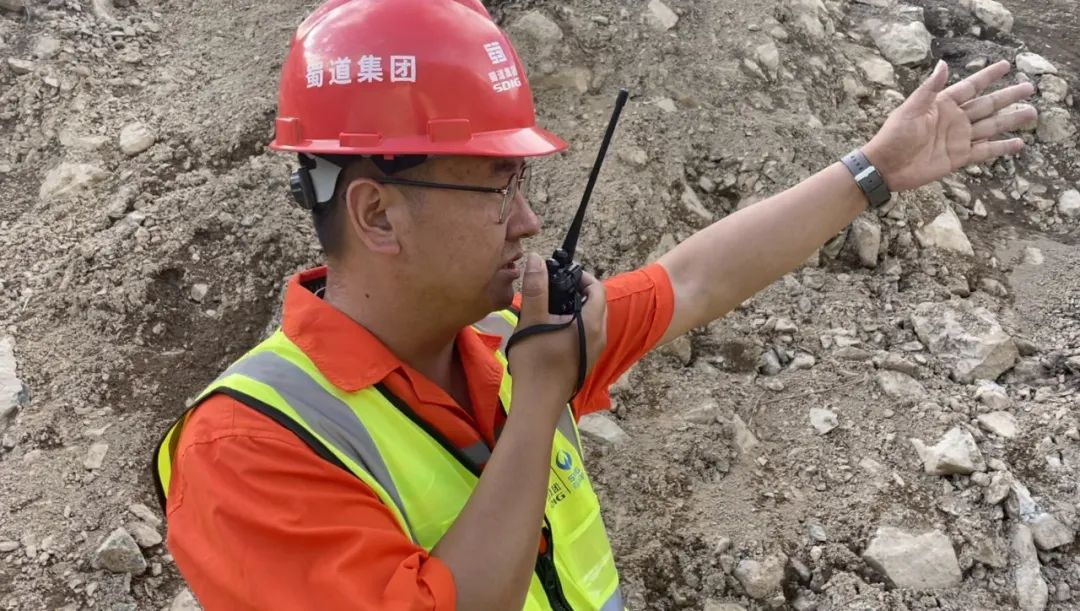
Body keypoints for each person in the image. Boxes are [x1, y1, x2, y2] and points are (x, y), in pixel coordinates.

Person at [152, 0, 1038, 609]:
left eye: (524, 183)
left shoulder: (503, 342)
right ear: (378, 213)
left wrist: (873, 170)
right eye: (496, 186)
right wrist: (541, 395)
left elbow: (694, 280)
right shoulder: (246, 445)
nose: (528, 220)